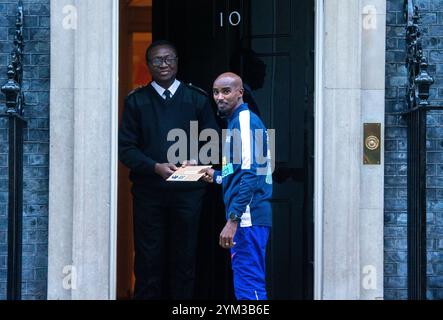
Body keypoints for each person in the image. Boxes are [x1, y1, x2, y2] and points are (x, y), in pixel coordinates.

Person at [118, 40, 218, 300]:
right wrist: (154, 167)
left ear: (177, 62)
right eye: (157, 60)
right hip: (149, 193)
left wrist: (195, 161)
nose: (164, 64)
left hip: (189, 192)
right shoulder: (136, 102)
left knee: (184, 260)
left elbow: (213, 141)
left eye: (169, 59)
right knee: (148, 260)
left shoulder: (197, 99)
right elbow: (125, 149)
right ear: (148, 65)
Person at [200, 72, 273, 300]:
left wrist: (233, 220)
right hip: (248, 216)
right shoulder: (236, 121)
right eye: (215, 92)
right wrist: (216, 175)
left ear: (240, 93)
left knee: (249, 286)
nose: (219, 97)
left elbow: (251, 174)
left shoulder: (244, 120)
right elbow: (241, 171)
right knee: (247, 282)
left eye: (226, 91)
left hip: (247, 217)